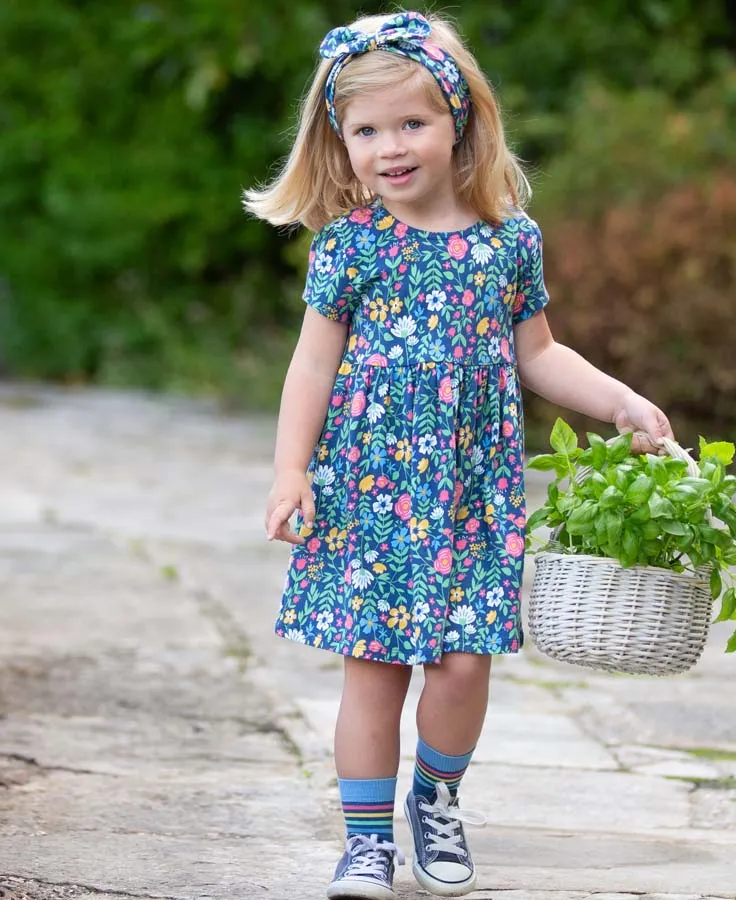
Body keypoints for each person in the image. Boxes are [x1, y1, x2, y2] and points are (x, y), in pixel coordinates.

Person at [244, 10, 673, 899]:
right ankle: (365, 841)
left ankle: (435, 799)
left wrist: (621, 401)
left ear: (459, 121)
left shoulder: (506, 239)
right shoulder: (352, 245)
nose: (390, 147)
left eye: (412, 123)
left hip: (471, 494)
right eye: (366, 131)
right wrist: (291, 469)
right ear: (340, 142)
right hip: (369, 485)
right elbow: (312, 364)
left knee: (463, 663)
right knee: (373, 670)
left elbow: (541, 354)